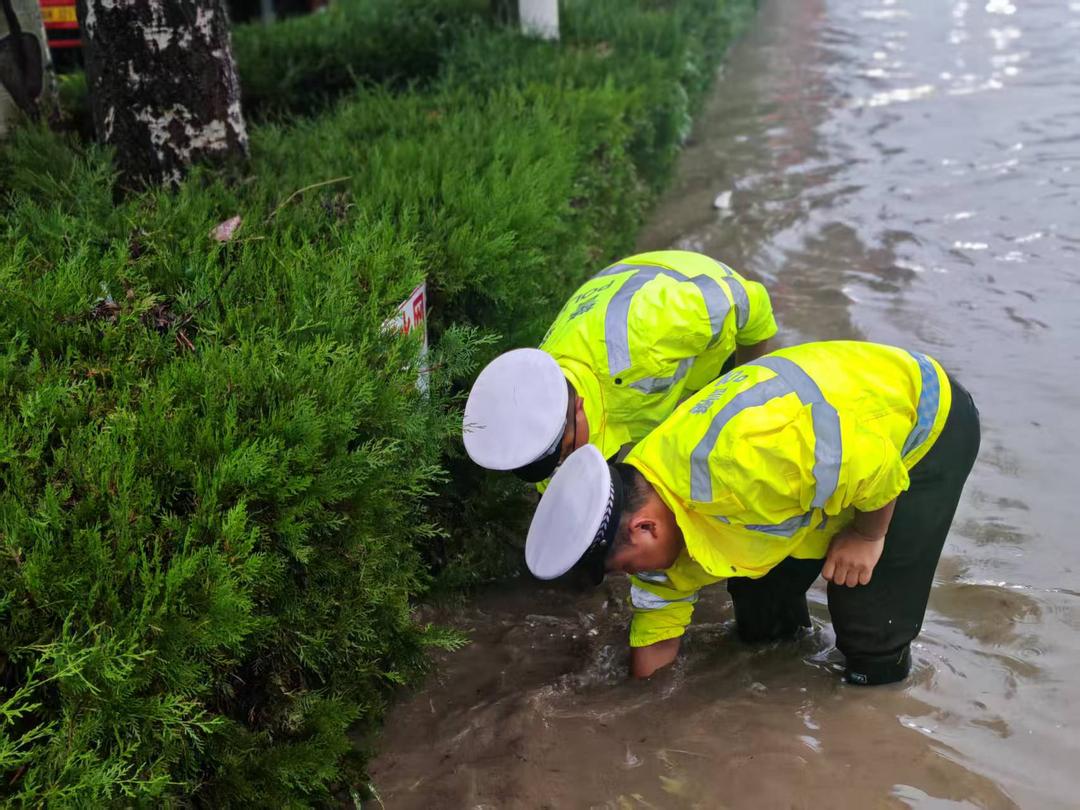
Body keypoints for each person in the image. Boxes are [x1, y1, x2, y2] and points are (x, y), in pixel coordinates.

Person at [524, 341, 980, 685]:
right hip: (818, 469)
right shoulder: (634, 502)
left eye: (625, 569)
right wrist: (639, 714)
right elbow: (658, 629)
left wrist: (866, 536)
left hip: (917, 427)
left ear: (644, 529)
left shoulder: (744, 460)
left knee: (868, 623)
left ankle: (881, 698)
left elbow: (874, 465)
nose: (632, 577)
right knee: (758, 617)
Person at [462, 250, 777, 483]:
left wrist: (741, 385)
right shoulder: (540, 401)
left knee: (722, 449)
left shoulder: (659, 324)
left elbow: (753, 302)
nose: (566, 462)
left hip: (688, 292)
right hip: (619, 357)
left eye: (569, 450)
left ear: (579, 408)